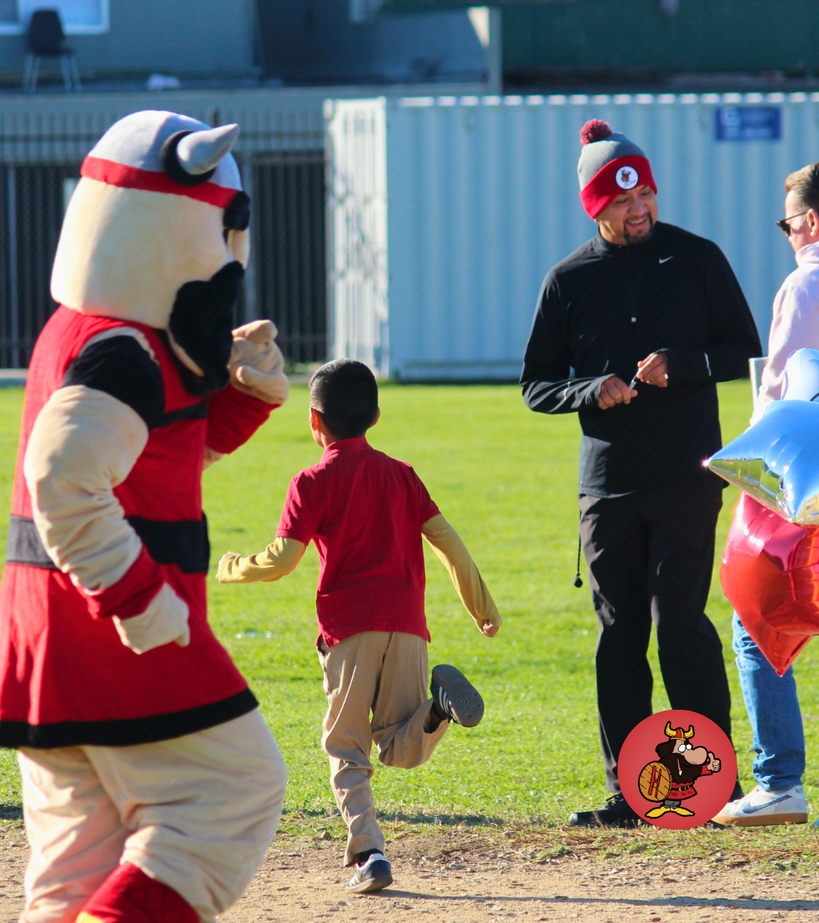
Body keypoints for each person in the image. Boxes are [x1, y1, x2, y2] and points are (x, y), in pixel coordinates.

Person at [0, 111, 289, 923]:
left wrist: (243, 396)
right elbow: (63, 476)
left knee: (75, 874)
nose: (233, 259)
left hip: (44, 634)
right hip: (115, 629)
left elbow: (154, 463)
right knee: (230, 794)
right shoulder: (122, 348)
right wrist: (136, 599)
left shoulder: (95, 332)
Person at [520, 119, 761, 827]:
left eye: (646, 193)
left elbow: (744, 348)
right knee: (619, 631)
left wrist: (681, 364)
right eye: (622, 200)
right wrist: (587, 389)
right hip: (606, 487)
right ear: (595, 207)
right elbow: (536, 384)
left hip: (687, 476)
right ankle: (628, 792)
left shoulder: (698, 259)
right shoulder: (566, 281)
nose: (639, 208)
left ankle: (710, 786)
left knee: (679, 624)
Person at [218, 359, 502, 891]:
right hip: (409, 628)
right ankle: (439, 709)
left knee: (346, 747)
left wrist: (233, 567)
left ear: (313, 421)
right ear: (375, 414)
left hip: (350, 630)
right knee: (398, 745)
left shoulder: (312, 481)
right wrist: (481, 608)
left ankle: (369, 854)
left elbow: (282, 561)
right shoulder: (402, 474)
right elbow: (450, 545)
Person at [714, 162, 819, 827]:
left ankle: (778, 778)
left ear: (809, 221)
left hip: (804, 475)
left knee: (756, 619)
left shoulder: (803, 283)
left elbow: (781, 389)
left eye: (787, 223)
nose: (785, 234)